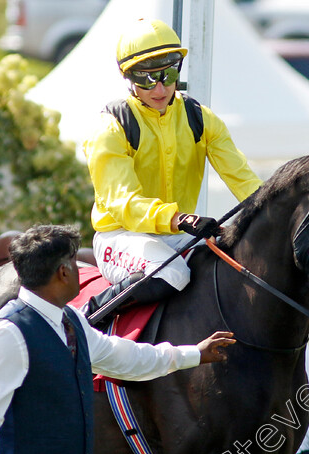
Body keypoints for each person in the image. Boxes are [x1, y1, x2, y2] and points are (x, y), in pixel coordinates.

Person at [0, 224, 236, 454]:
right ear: (64, 272)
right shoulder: (6, 334)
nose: (81, 270)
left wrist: (195, 354)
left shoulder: (71, 321)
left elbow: (127, 358)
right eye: (75, 262)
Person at [83, 18, 262, 319]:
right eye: (146, 78)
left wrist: (274, 210)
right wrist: (179, 218)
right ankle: (87, 320)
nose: (160, 87)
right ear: (127, 77)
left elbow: (243, 180)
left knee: (233, 263)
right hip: (120, 236)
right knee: (173, 273)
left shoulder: (201, 118)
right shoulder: (111, 127)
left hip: (178, 232)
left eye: (167, 74)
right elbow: (123, 204)